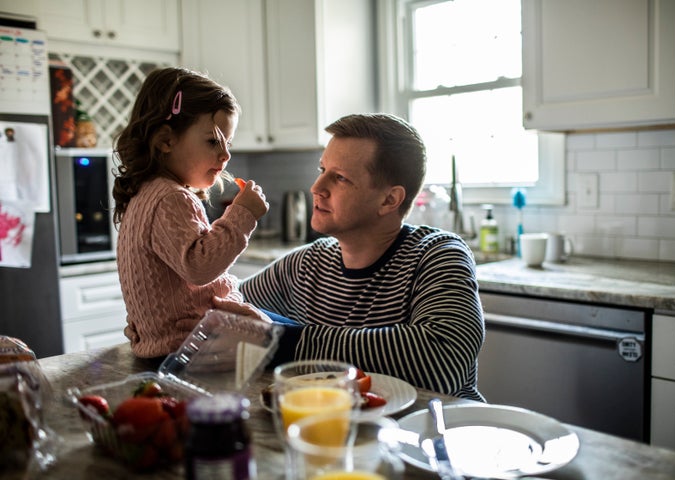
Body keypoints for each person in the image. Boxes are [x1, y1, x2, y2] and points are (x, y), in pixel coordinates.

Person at [239, 113, 485, 401]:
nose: (316, 188)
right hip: (341, 434)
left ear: (389, 200)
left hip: (434, 433)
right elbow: (227, 305)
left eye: (340, 178)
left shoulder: (437, 254)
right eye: (322, 170)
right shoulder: (306, 263)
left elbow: (444, 358)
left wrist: (287, 340)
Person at [112, 67, 270, 359]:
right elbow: (199, 267)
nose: (226, 156)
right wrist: (242, 214)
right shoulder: (171, 197)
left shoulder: (146, 194)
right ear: (166, 141)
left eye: (228, 144)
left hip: (175, 347)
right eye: (213, 141)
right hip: (194, 350)